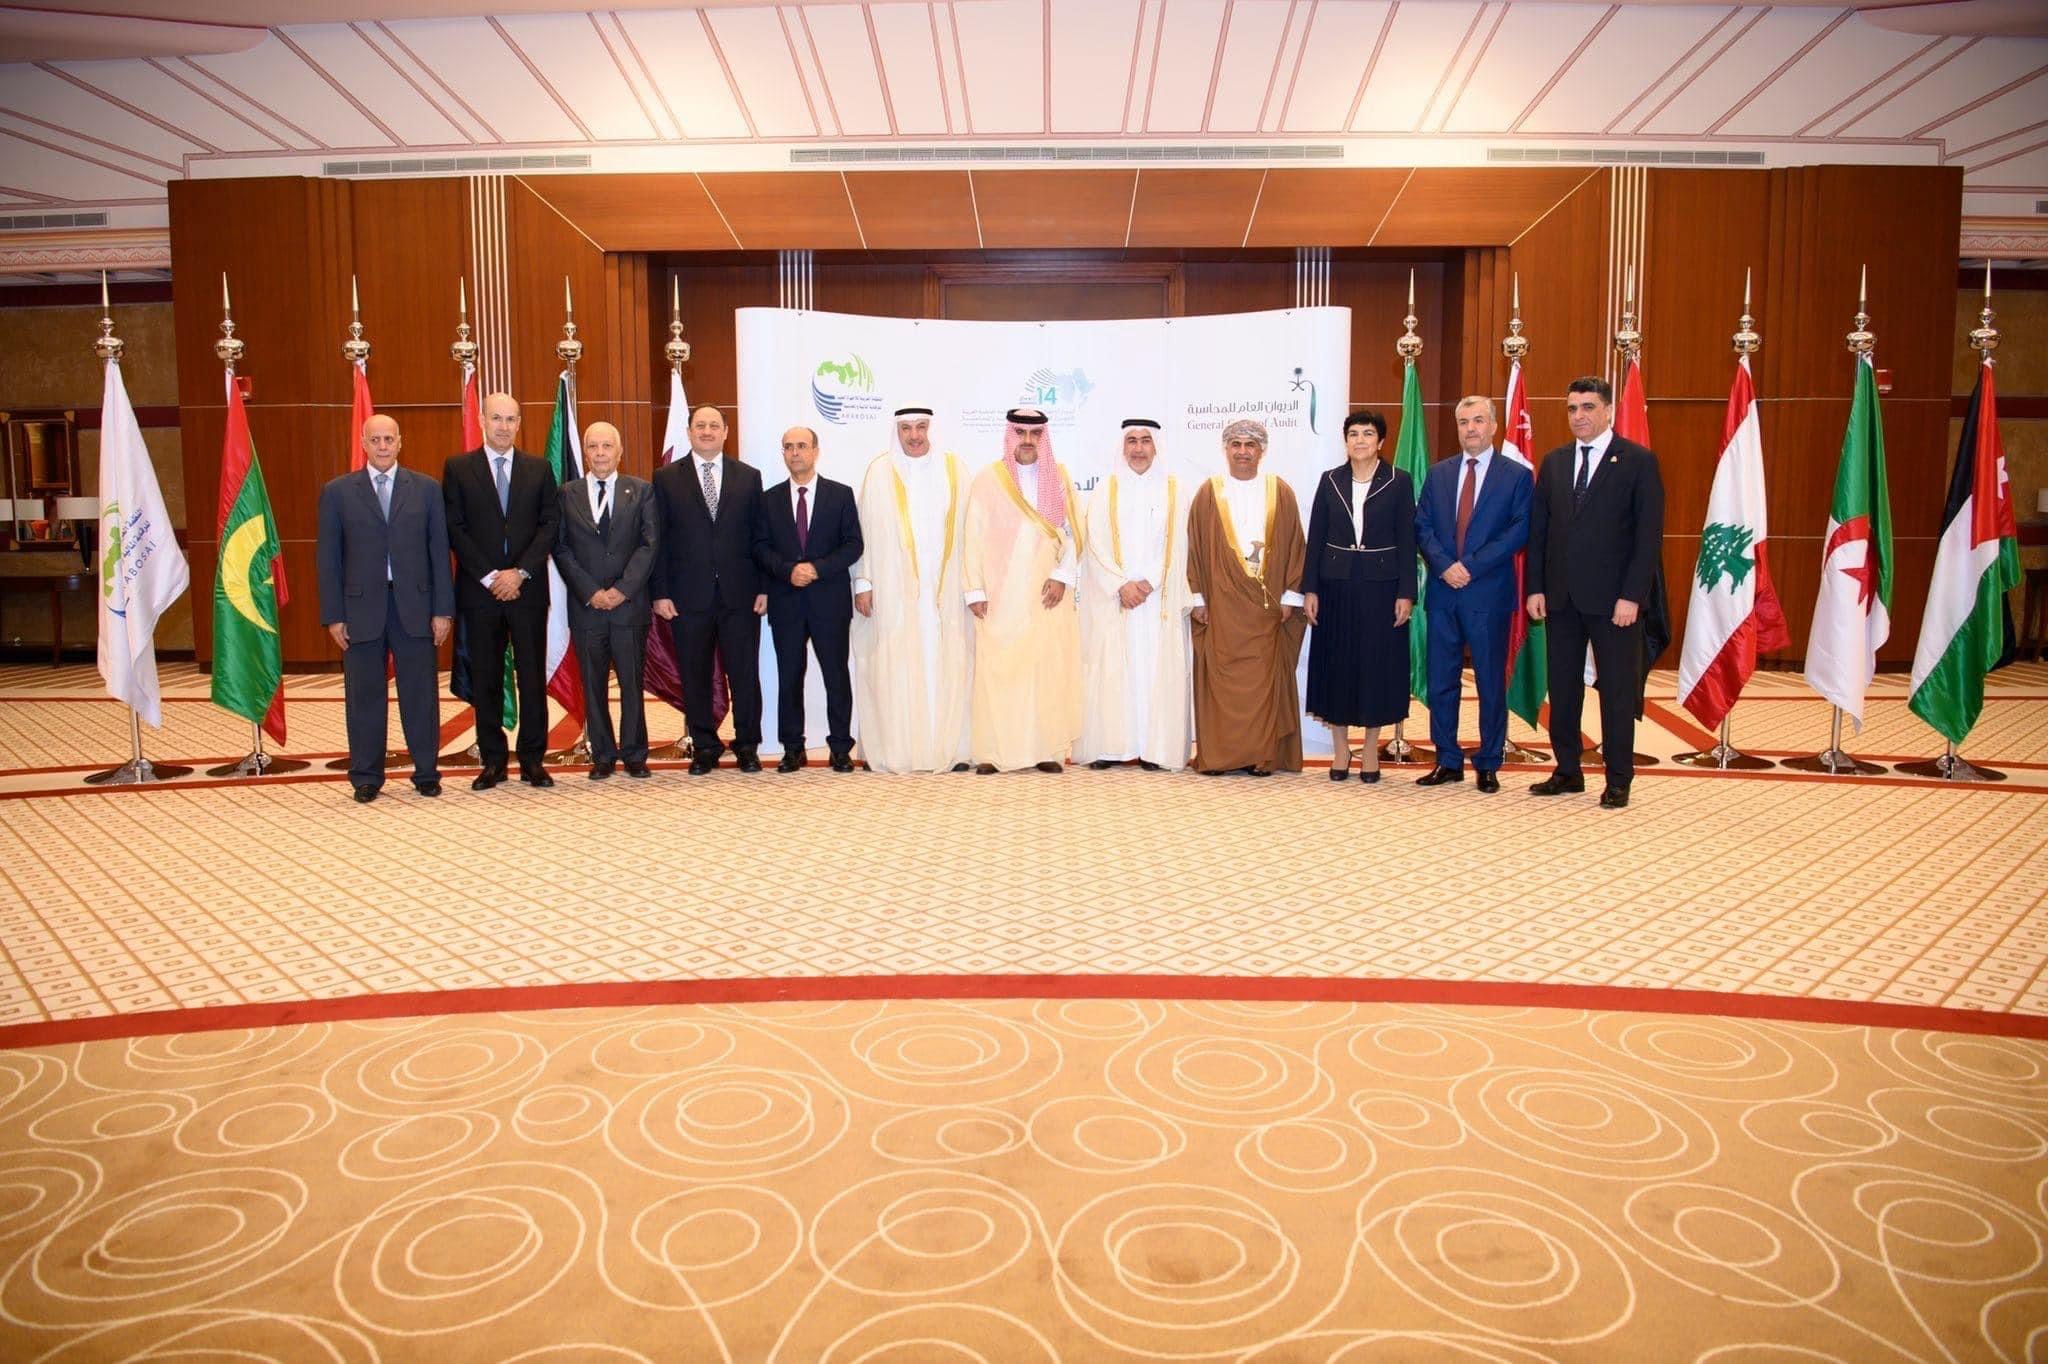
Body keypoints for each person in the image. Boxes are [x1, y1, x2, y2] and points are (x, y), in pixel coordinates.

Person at [1526, 376, 1665, 809]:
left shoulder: (1638, 461)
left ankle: (1619, 778)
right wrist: (1535, 588)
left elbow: (1647, 537)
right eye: (1572, 408)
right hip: (1561, 599)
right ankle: (1567, 770)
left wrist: (1632, 596)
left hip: (1615, 602)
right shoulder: (1554, 462)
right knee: (1563, 690)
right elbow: (1540, 532)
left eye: (1588, 407)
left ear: (1608, 411)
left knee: (1617, 693)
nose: (1579, 416)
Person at [316, 414, 453, 803]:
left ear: (399, 442)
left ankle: (426, 772)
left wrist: (443, 610)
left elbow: (439, 554)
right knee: (364, 696)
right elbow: (329, 559)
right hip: (360, 610)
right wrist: (334, 615)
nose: (382, 446)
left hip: (416, 607)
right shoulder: (338, 492)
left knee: (420, 694)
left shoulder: (426, 490)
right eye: (374, 439)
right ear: (363, 443)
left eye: (388, 439)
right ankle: (366, 776)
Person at [1414, 395, 1532, 793]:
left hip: (1488, 594)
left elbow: (1518, 530)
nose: (1471, 429)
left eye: (1479, 420)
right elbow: (1422, 526)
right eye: (1464, 422)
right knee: (1441, 681)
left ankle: (1488, 761)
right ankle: (1447, 759)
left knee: (1489, 683)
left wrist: (1471, 566)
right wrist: (1445, 566)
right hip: (1444, 592)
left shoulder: (1516, 476)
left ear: (1494, 426)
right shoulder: (1439, 474)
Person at [443, 391, 559, 790]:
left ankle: (532, 760)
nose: (503, 426)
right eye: (496, 418)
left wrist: (520, 573)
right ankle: (493, 761)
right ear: (482, 420)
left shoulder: (539, 468)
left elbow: (549, 525)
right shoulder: (459, 468)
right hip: (481, 593)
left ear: (519, 424)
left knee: (531, 678)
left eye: (511, 419)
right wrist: (491, 576)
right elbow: (454, 527)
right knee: (487, 678)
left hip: (527, 591)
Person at [850, 407, 973, 773]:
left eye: (921, 427)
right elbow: (863, 532)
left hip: (945, 590)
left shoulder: (954, 469)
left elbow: (971, 530)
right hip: (893, 590)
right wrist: (863, 582)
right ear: (897, 431)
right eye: (906, 428)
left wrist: (972, 585)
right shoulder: (879, 472)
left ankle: (950, 750)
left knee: (946, 662)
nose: (914, 435)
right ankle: (899, 750)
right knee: (896, 665)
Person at [961, 407, 1082, 774]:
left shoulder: (1059, 477)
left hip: (1047, 591)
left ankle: (1044, 750)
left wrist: (1062, 575)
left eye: (1035, 434)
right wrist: (974, 589)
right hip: (1000, 592)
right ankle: (994, 753)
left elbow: (1074, 533)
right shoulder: (988, 479)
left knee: (1044, 669)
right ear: (1009, 435)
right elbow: (972, 536)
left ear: (1044, 437)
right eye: (1021, 433)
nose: (1028, 441)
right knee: (999, 669)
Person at [1187, 418, 1308, 776]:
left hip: (1266, 608)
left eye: (1250, 445)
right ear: (1225, 449)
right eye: (1236, 444)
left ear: (1262, 451)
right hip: (1221, 607)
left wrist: (1291, 596)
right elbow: (1194, 549)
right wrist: (1197, 598)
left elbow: (1295, 545)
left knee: (1262, 682)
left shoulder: (1279, 491)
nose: (1243, 452)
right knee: (1222, 682)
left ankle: (1261, 756)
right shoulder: (1209, 492)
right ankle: (1220, 756)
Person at [651, 404, 768, 775]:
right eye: (699, 425)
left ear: (725, 432)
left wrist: (764, 586)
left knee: (744, 675)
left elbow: (760, 538)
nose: (706, 431)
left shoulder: (748, 477)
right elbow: (659, 540)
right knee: (695, 675)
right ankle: (704, 746)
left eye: (713, 425)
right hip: (687, 597)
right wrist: (660, 592)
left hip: (740, 595)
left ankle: (747, 745)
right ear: (689, 432)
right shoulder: (666, 478)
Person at [1302, 410, 1415, 784]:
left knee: (1375, 668)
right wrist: (1310, 588)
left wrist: (1406, 592)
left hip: (1382, 589)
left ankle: (1368, 750)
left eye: (1368, 434)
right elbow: (1316, 537)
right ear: (1345, 440)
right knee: (1336, 665)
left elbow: (1407, 540)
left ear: (1380, 441)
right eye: (1353, 434)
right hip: (1334, 587)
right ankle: (1340, 749)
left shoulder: (1399, 481)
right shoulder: (1330, 480)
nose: (1360, 440)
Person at [1078, 418, 1191, 771]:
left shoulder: (1175, 490)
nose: (1139, 448)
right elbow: (1094, 544)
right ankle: (1112, 747)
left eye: (1145, 441)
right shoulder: (1106, 489)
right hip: (1117, 599)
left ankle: (1154, 749)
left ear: (1156, 446)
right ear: (1123, 447)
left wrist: (1150, 582)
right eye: (1132, 441)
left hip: (1158, 599)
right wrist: (1120, 585)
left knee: (1155, 671)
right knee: (1113, 670)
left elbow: (1180, 543)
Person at [552, 420, 658, 780]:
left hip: (628, 607)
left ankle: (634, 754)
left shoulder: (641, 491)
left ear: (619, 451)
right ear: (585, 452)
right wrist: (591, 592)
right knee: (593, 686)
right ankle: (603, 754)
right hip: (587, 608)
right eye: (593, 446)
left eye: (607, 446)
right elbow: (561, 548)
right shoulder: (567, 494)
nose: (600, 453)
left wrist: (622, 590)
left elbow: (649, 545)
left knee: (631, 685)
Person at [755, 425, 863, 773]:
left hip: (829, 601)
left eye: (802, 446)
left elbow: (853, 544)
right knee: (789, 677)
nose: (795, 452)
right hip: (786, 600)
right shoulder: (768, 499)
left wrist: (817, 569)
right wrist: (788, 571)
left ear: (815, 451)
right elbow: (760, 547)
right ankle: (792, 748)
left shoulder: (840, 494)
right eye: (788, 447)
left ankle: (840, 747)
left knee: (836, 676)